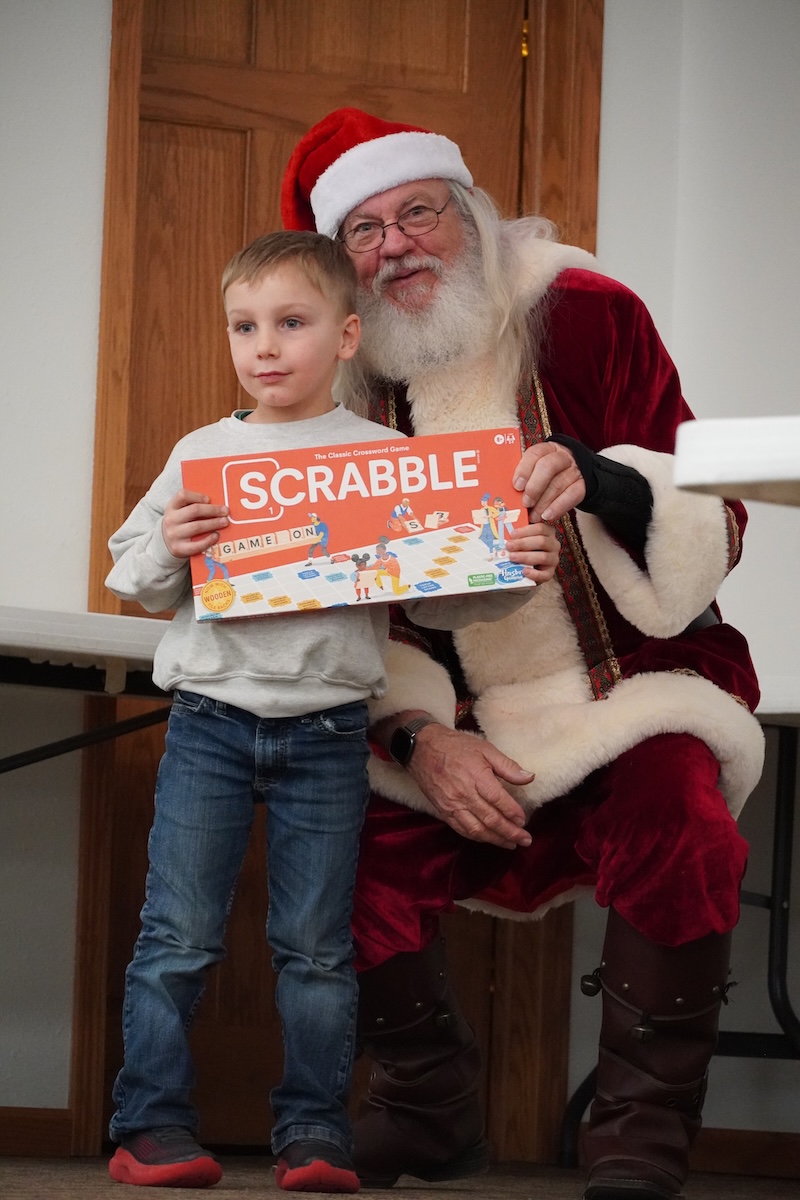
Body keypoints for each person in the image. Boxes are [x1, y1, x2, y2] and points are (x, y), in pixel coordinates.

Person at [280, 108, 766, 1200]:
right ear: (342, 263)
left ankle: (640, 1131)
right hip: (455, 722)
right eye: (364, 231)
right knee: (330, 838)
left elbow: (719, 509)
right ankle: (426, 1106)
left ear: (470, 216)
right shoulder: (336, 381)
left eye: (418, 213)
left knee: (680, 821)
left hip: (624, 690)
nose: (396, 246)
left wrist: (602, 477)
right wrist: (417, 735)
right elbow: (344, 613)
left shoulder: (588, 314)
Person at [105, 228, 560, 1192]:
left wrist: (514, 571)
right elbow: (134, 580)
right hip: (210, 723)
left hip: (327, 733)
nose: (264, 346)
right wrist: (169, 546)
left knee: (315, 950)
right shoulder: (203, 453)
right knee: (176, 936)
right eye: (244, 326)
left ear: (348, 337)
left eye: (291, 323)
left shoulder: (391, 459)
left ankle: (313, 1135)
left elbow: (442, 599)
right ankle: (149, 1127)